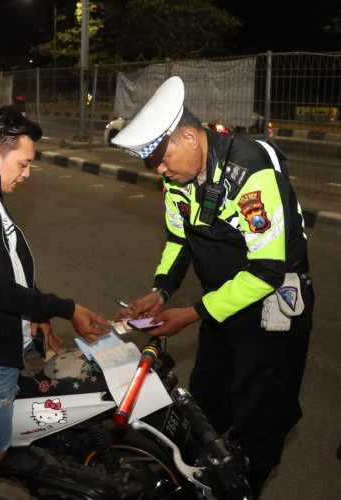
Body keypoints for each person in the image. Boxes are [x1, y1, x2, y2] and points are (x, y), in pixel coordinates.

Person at [111, 76, 313, 498]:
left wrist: (194, 313)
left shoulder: (250, 171)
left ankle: (242, 488)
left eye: (163, 161)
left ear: (188, 136)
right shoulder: (178, 178)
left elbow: (266, 271)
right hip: (222, 303)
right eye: (154, 167)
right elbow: (179, 238)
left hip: (271, 305)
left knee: (259, 414)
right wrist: (162, 290)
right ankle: (194, 481)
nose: (161, 172)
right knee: (204, 402)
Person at [0, 106, 109, 500]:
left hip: (10, 331)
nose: (27, 174)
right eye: (23, 163)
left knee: (16, 405)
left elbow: (9, 264)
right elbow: (1, 291)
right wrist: (67, 307)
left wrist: (39, 314)